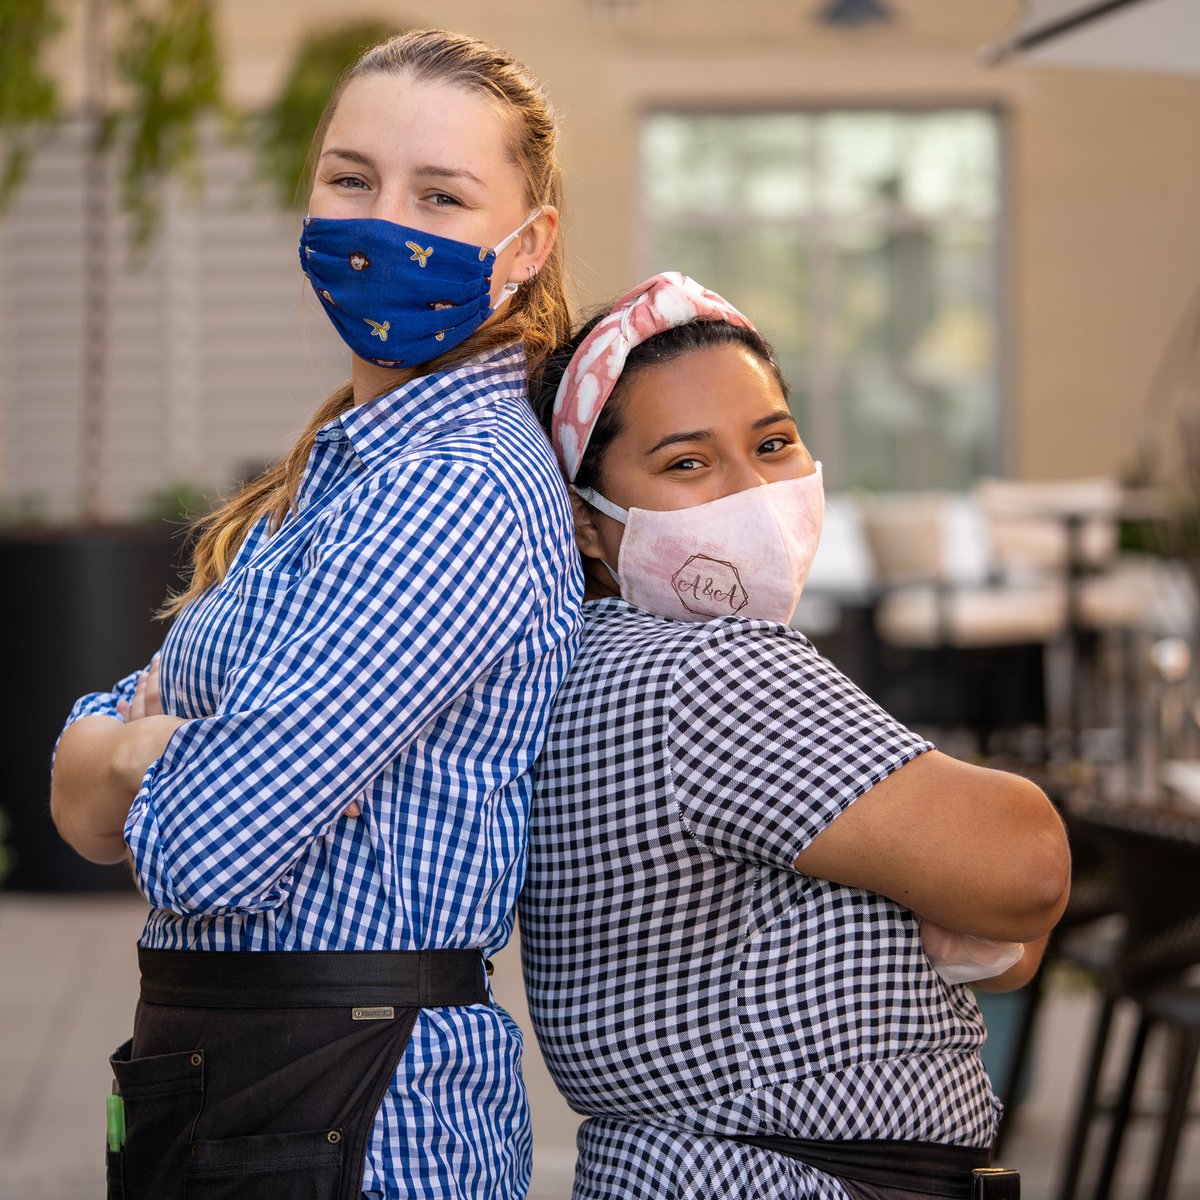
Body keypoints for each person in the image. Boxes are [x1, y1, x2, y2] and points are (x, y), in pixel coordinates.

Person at [50, 29, 582, 1200]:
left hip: (362, 1118)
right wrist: (146, 752)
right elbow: (75, 806)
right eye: (352, 179)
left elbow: (205, 846)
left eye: (440, 196)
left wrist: (132, 743)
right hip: (252, 1089)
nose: (383, 221)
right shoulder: (344, 474)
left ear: (526, 246)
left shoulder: (461, 487)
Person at [518, 272, 1071, 1200]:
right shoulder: (710, 672)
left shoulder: (597, 664)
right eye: (688, 464)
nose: (755, 491)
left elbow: (1007, 938)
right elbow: (1027, 869)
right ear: (587, 522)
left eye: (773, 443)